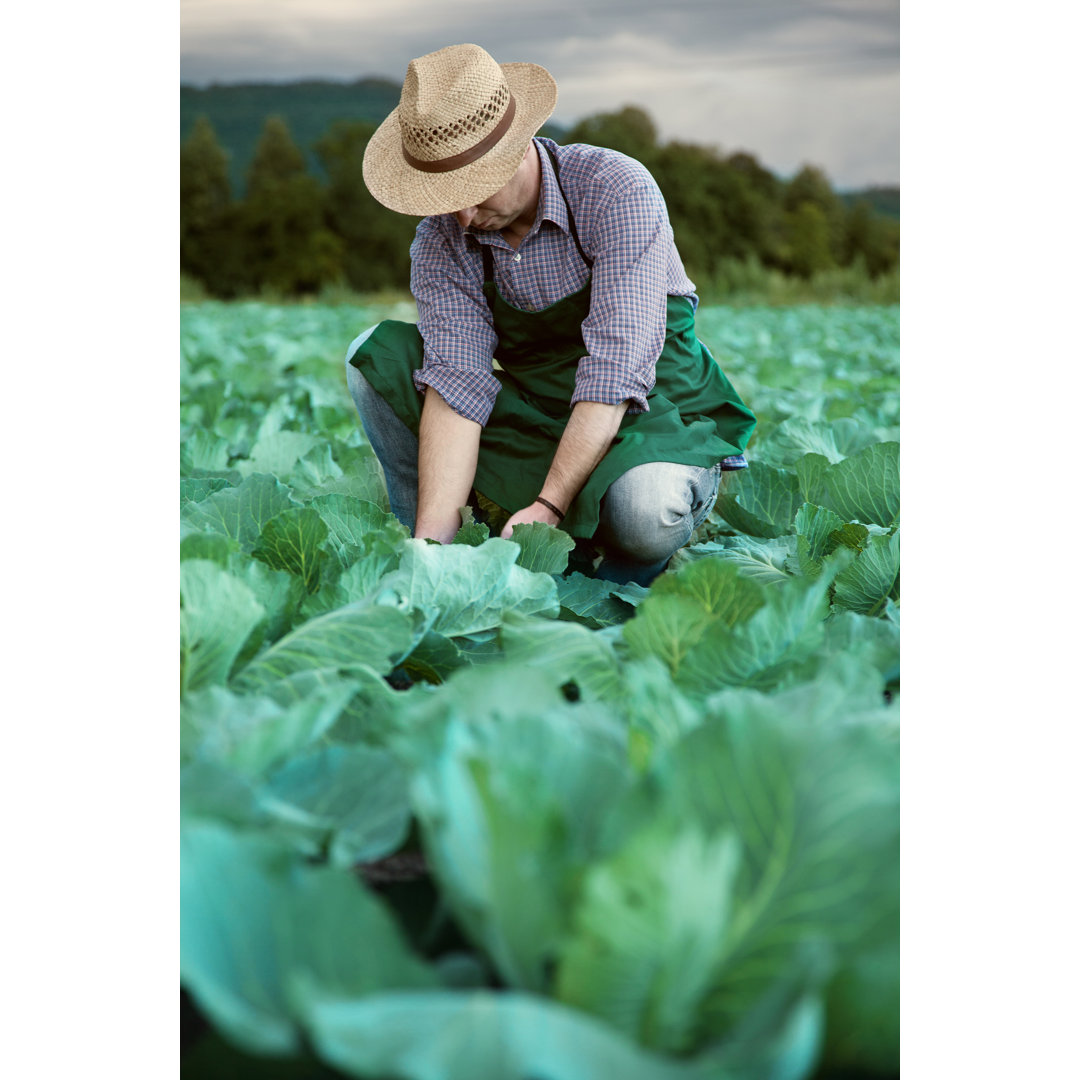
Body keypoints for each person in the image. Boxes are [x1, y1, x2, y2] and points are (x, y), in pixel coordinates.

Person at [346, 43, 755, 585]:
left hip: (650, 411)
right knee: (373, 354)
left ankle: (643, 556)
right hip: (541, 414)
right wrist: (431, 554)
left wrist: (549, 509)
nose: (464, 218)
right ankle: (425, 543)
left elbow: (614, 374)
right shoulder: (442, 237)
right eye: (447, 197)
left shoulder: (614, 189)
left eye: (474, 191)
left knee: (644, 514)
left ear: (518, 149)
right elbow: (459, 386)